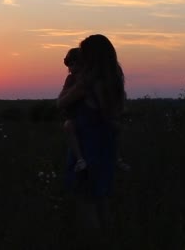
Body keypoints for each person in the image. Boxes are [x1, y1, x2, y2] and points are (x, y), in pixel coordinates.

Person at [58, 34, 127, 232]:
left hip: (87, 144)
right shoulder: (113, 81)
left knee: (85, 200)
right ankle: (109, 240)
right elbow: (113, 116)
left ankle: (94, 241)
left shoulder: (86, 84)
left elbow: (61, 103)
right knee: (102, 199)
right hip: (106, 144)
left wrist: (68, 84)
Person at [60, 48, 87, 172]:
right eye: (69, 64)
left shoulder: (88, 79)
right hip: (74, 116)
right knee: (68, 126)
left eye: (72, 64)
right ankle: (80, 159)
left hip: (86, 117)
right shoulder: (71, 79)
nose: (70, 68)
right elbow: (61, 100)